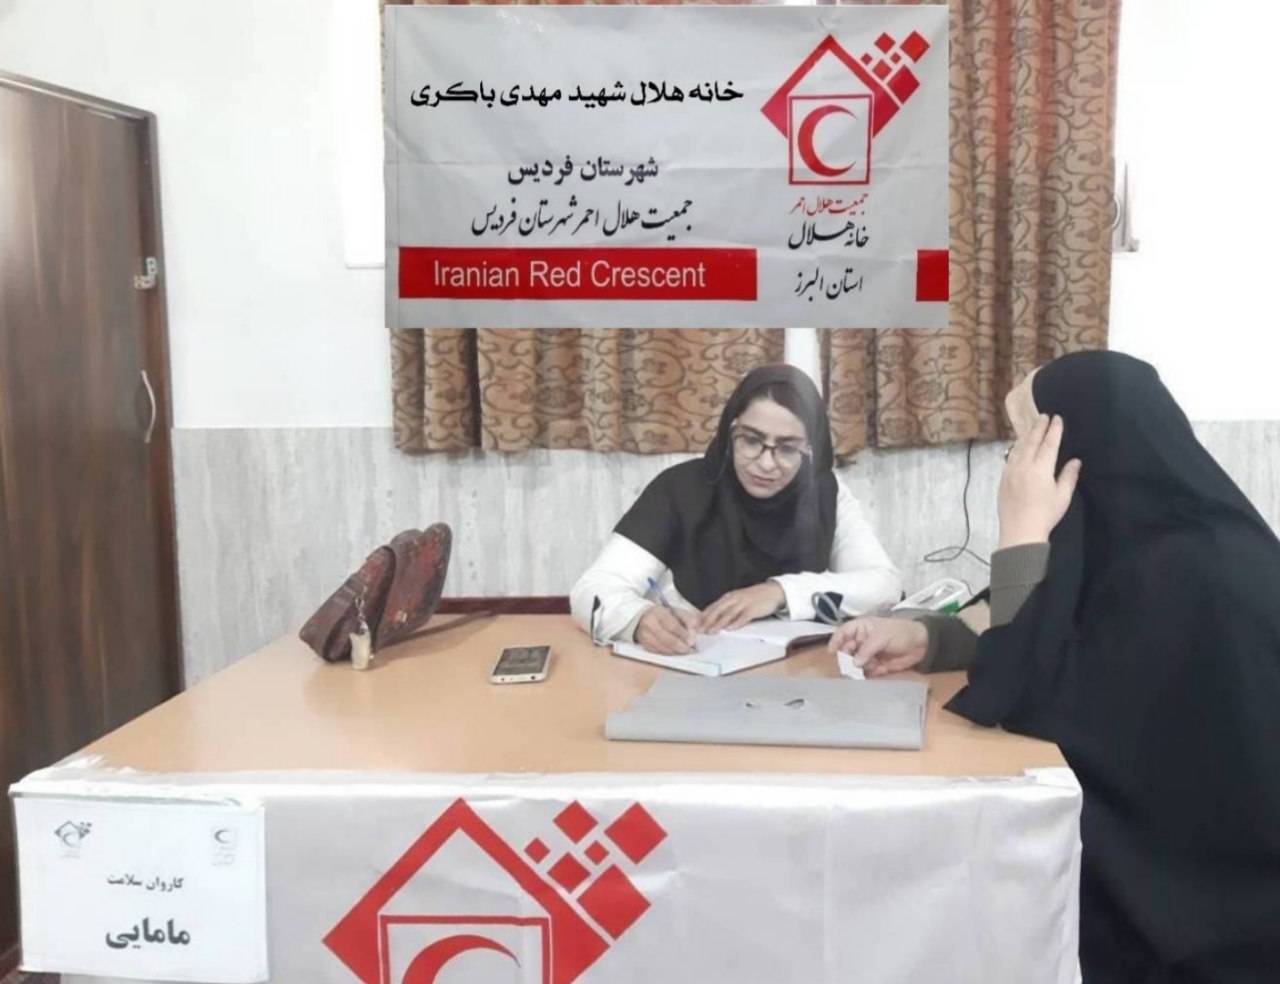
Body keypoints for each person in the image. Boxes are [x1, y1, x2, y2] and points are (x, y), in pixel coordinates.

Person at [831, 351, 1280, 981]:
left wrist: (1021, 528)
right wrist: (929, 637)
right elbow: (1051, 626)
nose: (1016, 466)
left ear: (1071, 450)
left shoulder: (1194, 575)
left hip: (1212, 928)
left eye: (1025, 442)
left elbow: (1023, 691)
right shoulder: (1153, 538)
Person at [571, 364, 901, 654]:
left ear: (810, 448)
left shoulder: (825, 492)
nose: (766, 463)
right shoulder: (680, 488)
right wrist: (638, 619)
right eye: (751, 440)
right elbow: (592, 589)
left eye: (787, 448)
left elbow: (884, 586)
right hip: (692, 665)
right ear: (731, 431)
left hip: (799, 672)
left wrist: (780, 591)